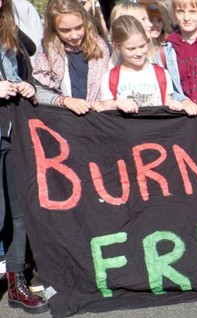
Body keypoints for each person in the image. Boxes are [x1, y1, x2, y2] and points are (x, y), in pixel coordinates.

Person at [0, 0, 47, 314]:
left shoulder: (12, 33)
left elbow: (34, 66)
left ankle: (16, 284)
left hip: (12, 129)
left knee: (19, 212)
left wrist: (28, 86)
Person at [33, 0, 111, 115]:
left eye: (79, 27)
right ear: (54, 29)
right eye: (65, 30)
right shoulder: (47, 53)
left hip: (100, 119)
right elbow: (40, 92)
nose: (74, 35)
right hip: (65, 120)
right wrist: (65, 101)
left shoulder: (104, 49)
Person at [98, 16, 182, 113]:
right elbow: (105, 111)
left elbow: (166, 105)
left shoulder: (162, 74)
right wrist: (116, 104)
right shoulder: (109, 78)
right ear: (117, 46)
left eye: (142, 46)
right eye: (131, 49)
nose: (139, 53)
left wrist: (173, 105)